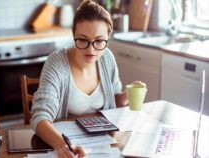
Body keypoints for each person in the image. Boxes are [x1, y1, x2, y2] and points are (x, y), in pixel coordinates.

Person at [31, 0, 146, 157]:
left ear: (108, 37)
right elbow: (40, 116)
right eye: (83, 40)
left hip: (104, 143)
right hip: (68, 145)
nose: (91, 49)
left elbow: (114, 101)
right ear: (74, 36)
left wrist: (127, 94)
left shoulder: (107, 58)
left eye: (99, 41)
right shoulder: (57, 62)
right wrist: (61, 145)